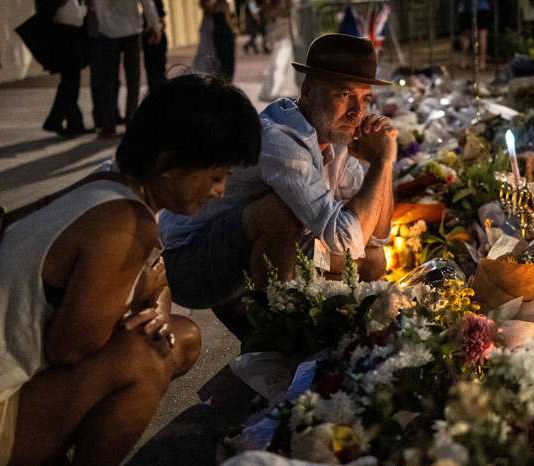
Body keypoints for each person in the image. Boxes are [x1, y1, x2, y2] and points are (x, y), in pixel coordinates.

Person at [0, 75, 261, 466]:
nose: (220, 191)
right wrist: (139, 298)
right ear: (168, 165)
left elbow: (157, 279)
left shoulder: (109, 185)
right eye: (216, 176)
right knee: (145, 356)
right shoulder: (123, 223)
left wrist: (150, 300)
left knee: (181, 337)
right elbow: (70, 348)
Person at [161, 34, 396, 336]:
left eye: (365, 99)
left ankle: (338, 334)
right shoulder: (281, 139)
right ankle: (278, 335)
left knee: (373, 262)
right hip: (189, 263)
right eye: (344, 95)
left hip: (240, 246)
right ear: (309, 91)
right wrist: (381, 163)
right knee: (281, 212)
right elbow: (346, 239)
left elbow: (376, 236)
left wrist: (383, 164)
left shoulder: (336, 135)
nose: (357, 112)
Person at [89, 0, 162, 138]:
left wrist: (103, 24)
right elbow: (147, 3)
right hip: (131, 30)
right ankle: (131, 120)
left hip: (108, 32)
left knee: (109, 80)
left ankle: (109, 126)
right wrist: (155, 25)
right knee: (133, 79)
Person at [38, 0, 92, 137]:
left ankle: (75, 123)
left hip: (74, 33)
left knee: (71, 83)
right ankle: (56, 121)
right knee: (70, 83)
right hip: (63, 34)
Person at [193, 0, 237, 81]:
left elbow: (230, 14)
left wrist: (232, 28)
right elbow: (207, 7)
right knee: (211, 61)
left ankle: (226, 85)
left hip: (225, 28)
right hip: (213, 27)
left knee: (227, 64)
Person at [457, 0, 491, 71]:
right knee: (482, 35)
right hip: (482, 7)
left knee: (466, 35)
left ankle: (463, 61)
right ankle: (482, 63)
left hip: (466, 9)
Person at [142, 0, 169, 91]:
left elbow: (162, 21)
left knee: (156, 72)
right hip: (153, 36)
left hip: (154, 36)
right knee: (156, 72)